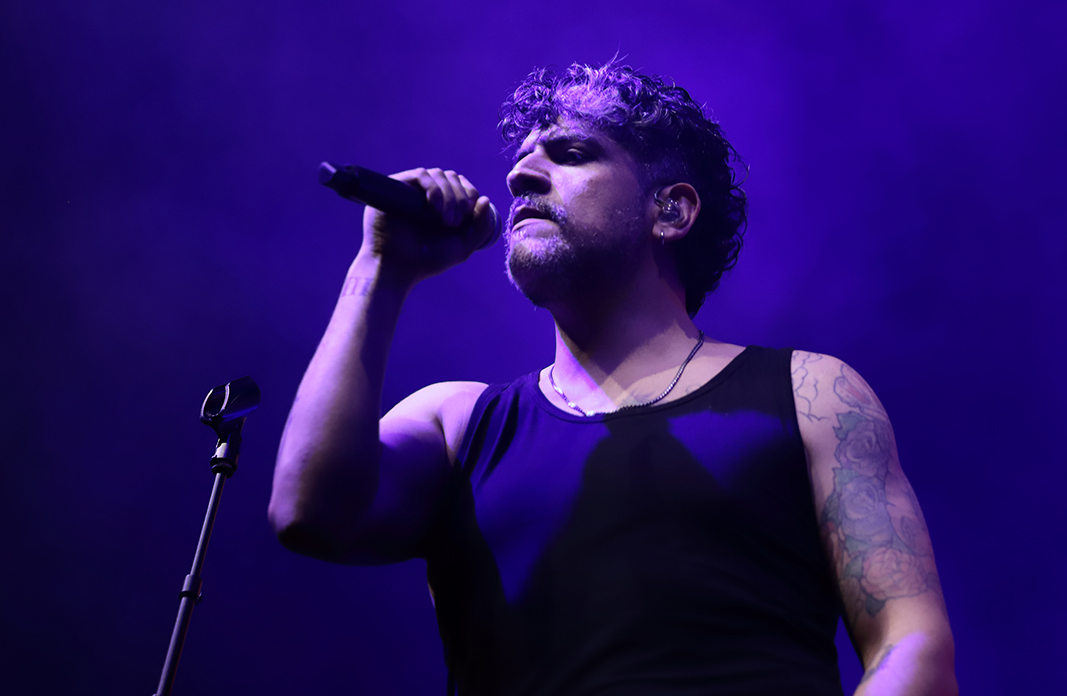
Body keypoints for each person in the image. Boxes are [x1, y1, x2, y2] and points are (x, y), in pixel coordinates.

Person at [269, 61, 957, 696]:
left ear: (670, 210)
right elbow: (308, 511)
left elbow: (911, 646)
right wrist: (381, 268)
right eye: (520, 161)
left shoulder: (810, 394)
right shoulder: (457, 424)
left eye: (570, 154)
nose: (520, 177)